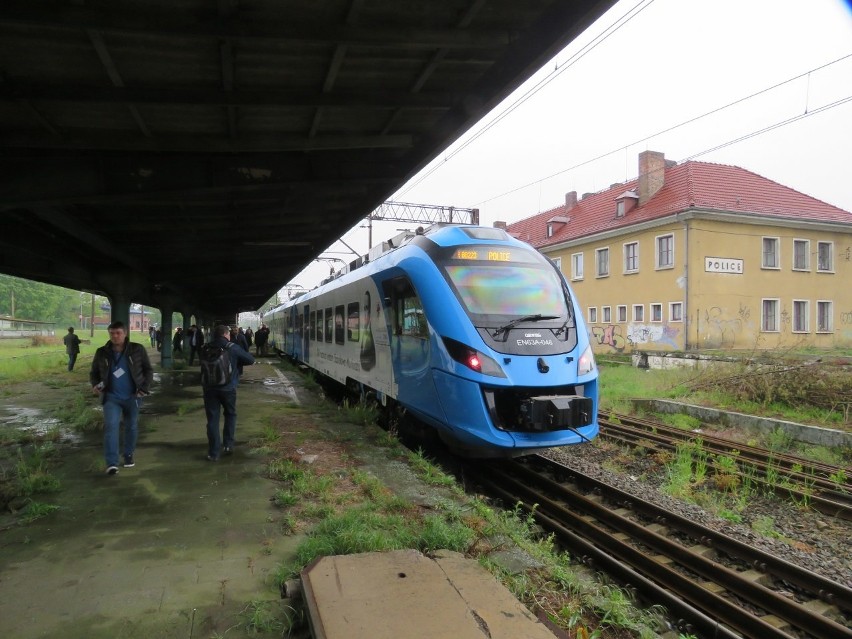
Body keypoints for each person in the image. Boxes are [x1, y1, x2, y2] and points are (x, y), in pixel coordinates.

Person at [89, 320, 153, 475]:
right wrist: (96, 384)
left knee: (131, 426)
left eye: (118, 333)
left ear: (125, 334)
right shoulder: (102, 352)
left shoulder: (137, 350)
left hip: (133, 396)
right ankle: (112, 462)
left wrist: (144, 388)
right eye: (112, 333)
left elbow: (148, 370)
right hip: (111, 397)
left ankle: (128, 454)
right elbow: (94, 372)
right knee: (111, 426)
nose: (115, 336)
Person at [202, 324, 255, 461]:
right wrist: (236, 362)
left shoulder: (205, 347)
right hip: (228, 388)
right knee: (230, 414)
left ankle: (213, 453)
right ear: (226, 334)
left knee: (212, 419)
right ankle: (228, 445)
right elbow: (250, 360)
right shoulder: (231, 347)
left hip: (209, 388)